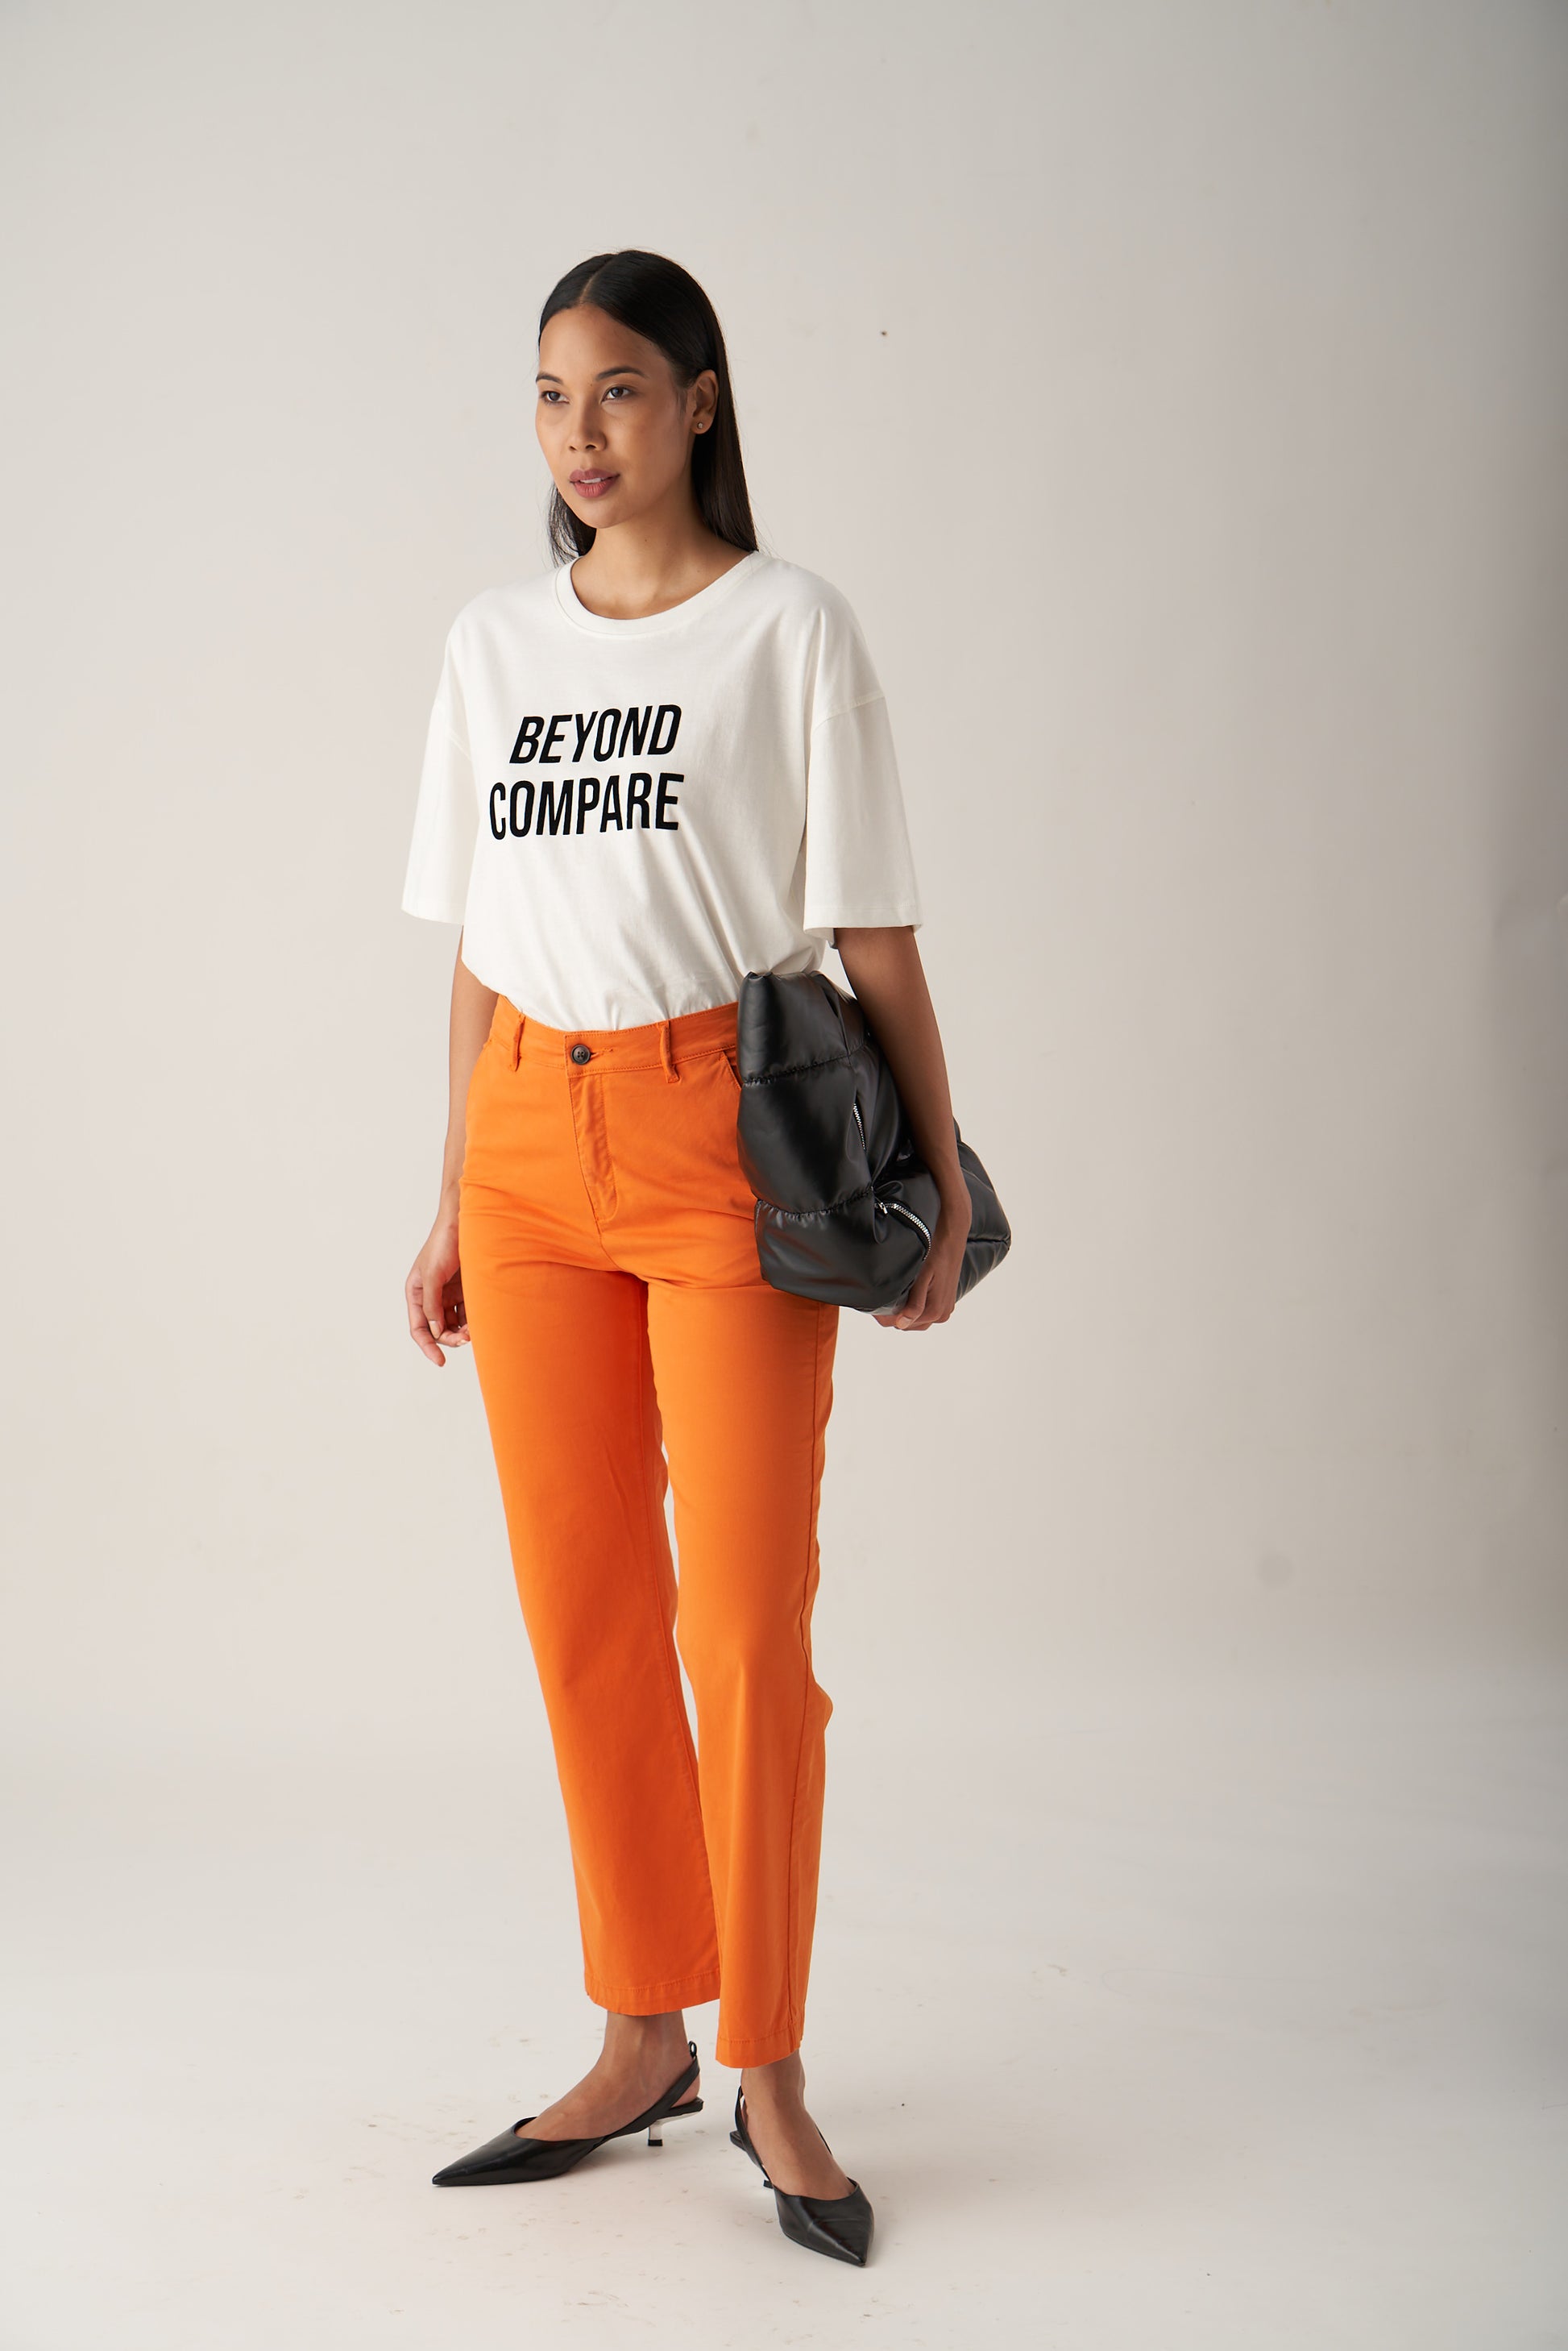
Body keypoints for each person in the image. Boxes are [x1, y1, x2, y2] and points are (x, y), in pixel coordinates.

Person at [400, 250, 972, 2268]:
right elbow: (479, 943)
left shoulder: (788, 627)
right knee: (586, 1614)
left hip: (721, 1141)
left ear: (702, 401)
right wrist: (454, 1193)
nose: (583, 431)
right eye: (553, 395)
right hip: (526, 1149)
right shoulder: (490, 642)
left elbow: (870, 925)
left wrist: (941, 1174)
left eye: (623, 389)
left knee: (741, 1626)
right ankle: (640, 2026)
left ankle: (770, 2061)